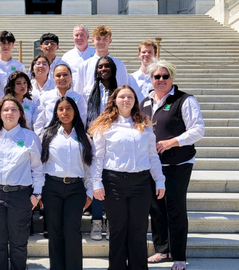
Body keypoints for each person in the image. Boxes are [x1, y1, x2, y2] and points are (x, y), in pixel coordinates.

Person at [89, 85, 166, 270]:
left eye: (130, 97)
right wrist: (96, 183)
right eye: (122, 96)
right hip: (114, 182)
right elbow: (97, 157)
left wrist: (160, 179)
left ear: (135, 101)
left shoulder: (144, 124)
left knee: (138, 231)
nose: (126, 100)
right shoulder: (104, 125)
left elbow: (152, 155)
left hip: (141, 183)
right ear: (114, 100)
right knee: (117, 230)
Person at [140, 60, 204, 270]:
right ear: (150, 79)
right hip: (153, 165)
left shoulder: (184, 100)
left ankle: (178, 255)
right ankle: (162, 250)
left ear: (172, 78)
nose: (160, 80)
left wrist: (172, 141)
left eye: (165, 76)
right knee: (156, 208)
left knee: (175, 207)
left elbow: (198, 130)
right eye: (156, 77)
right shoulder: (145, 102)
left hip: (178, 163)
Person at [0, 95, 44, 270]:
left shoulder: (30, 137)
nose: (10, 112)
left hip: (21, 196)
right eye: (6, 109)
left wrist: (37, 194)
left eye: (14, 109)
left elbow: (37, 168)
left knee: (19, 242)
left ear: (20, 113)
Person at [40, 96, 93, 270]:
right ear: (56, 112)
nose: (65, 112)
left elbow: (88, 167)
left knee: (73, 231)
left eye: (69, 108)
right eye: (61, 109)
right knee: (55, 232)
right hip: (52, 188)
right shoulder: (47, 135)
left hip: (76, 189)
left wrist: (90, 191)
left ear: (75, 111)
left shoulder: (84, 137)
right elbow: (39, 165)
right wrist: (38, 191)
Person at [85, 56, 118, 241]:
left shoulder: (119, 91)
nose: (103, 69)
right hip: (94, 140)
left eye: (106, 66)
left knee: (111, 183)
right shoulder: (89, 91)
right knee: (96, 180)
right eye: (100, 66)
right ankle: (96, 221)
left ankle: (110, 220)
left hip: (114, 142)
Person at [74, 25, 128, 99]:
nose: (101, 42)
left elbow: (124, 92)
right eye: (98, 39)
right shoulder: (84, 66)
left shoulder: (119, 65)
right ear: (93, 41)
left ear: (110, 41)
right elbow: (78, 94)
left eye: (105, 39)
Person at [34, 64, 87, 137]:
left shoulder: (78, 98)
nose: (62, 78)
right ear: (53, 78)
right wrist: (41, 137)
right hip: (49, 137)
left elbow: (82, 121)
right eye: (58, 76)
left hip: (72, 137)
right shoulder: (45, 97)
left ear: (71, 76)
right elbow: (38, 121)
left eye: (65, 75)